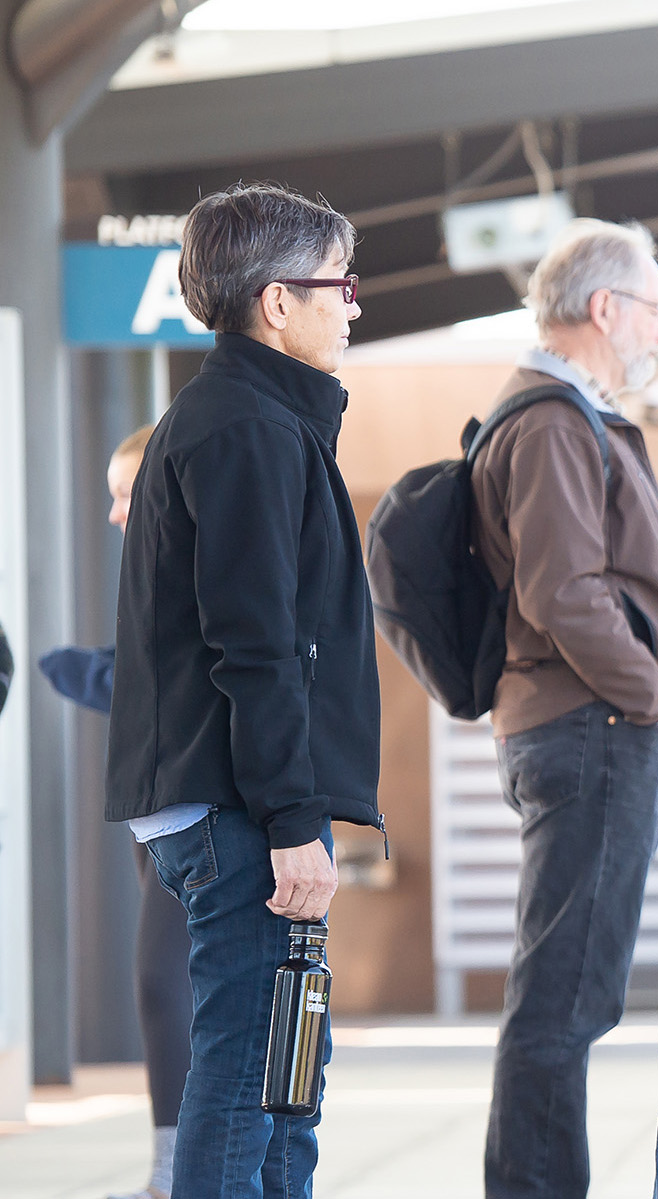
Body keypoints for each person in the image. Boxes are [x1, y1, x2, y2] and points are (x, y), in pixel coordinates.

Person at [106, 182, 380, 1199]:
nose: (352, 303)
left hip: (238, 801)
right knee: (248, 1077)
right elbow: (255, 643)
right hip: (241, 810)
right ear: (277, 302)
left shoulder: (252, 419)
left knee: (287, 1071)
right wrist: (291, 818)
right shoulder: (243, 429)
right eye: (338, 284)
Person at [470, 219, 658, 1199]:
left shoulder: (546, 416)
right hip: (594, 729)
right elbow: (568, 591)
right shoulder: (556, 421)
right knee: (565, 999)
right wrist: (650, 695)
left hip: (578, 728)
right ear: (605, 309)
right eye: (654, 306)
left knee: (564, 993)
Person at [42, 427, 191, 1199]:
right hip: (157, 810)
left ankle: (180, 1176)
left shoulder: (190, 573)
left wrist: (69, 666)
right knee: (167, 984)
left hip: (194, 813)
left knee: (163, 981)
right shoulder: (152, 575)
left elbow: (143, 683)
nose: (112, 513)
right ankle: (183, 1171)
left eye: (125, 493)